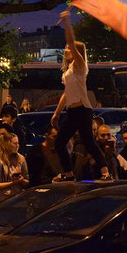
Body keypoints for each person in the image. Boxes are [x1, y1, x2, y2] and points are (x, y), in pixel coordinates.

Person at [50, 10, 110, 181]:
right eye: (66, 48)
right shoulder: (68, 71)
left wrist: (67, 22)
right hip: (72, 111)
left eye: (69, 48)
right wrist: (56, 113)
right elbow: (65, 94)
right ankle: (68, 173)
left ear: (77, 51)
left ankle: (105, 172)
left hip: (83, 110)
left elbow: (70, 40)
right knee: (60, 142)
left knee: (89, 142)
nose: (66, 49)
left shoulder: (80, 66)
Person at [0, 134, 29, 204]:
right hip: (1, 202)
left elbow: (27, 181)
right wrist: (12, 183)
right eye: (15, 143)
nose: (18, 146)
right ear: (7, 144)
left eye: (18, 143)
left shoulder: (21, 158)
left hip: (18, 201)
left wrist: (21, 180)